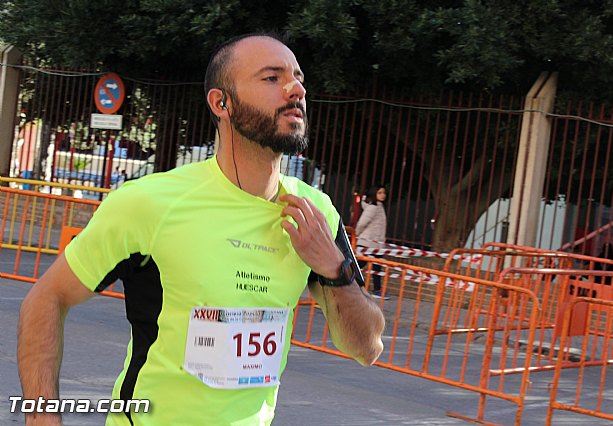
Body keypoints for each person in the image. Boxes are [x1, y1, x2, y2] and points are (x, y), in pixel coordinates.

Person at [17, 33, 385, 426]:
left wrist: (335, 269)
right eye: (271, 78)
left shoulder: (316, 214)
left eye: (298, 78)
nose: (296, 89)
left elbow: (366, 347)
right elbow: (46, 299)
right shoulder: (150, 204)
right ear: (220, 102)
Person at [355, 184, 388, 299]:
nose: (383, 195)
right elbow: (361, 223)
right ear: (374, 194)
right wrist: (357, 235)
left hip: (376, 244)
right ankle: (345, 282)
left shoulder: (379, 206)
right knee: (360, 264)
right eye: (379, 193)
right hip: (367, 243)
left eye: (383, 192)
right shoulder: (373, 208)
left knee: (377, 267)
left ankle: (377, 290)